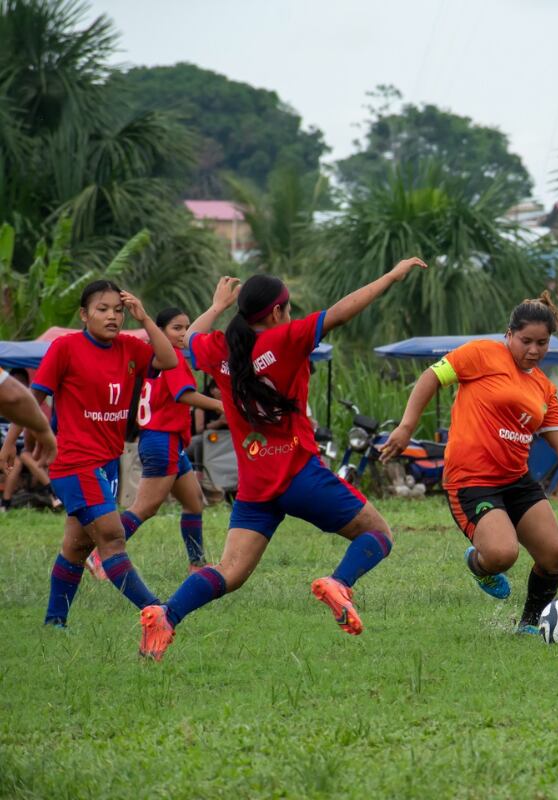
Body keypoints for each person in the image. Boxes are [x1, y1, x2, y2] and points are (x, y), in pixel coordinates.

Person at [138, 261, 426, 661]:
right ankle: (339, 582)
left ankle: (166, 615)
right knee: (378, 534)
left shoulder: (221, 349)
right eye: (288, 308)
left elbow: (191, 339)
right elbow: (342, 311)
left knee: (229, 572)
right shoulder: (287, 339)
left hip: (255, 486)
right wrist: (391, 276)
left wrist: (218, 306)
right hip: (298, 474)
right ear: (276, 312)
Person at [381, 293, 558, 634]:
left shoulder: (544, 388)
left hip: (516, 480)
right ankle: (479, 564)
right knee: (502, 555)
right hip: (471, 480)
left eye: (542, 343)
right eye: (526, 341)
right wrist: (406, 427)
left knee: (555, 555)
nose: (533, 350)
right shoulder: (482, 354)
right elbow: (431, 377)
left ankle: (530, 624)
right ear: (509, 334)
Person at [1, 281, 176, 628]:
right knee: (112, 538)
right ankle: (158, 614)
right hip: (75, 462)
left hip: (108, 462)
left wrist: (144, 318)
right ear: (84, 314)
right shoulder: (65, 348)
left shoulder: (130, 347)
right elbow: (32, 399)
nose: (112, 316)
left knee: (76, 548)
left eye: (119, 311)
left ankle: (54, 624)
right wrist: (10, 443)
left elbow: (169, 359)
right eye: (102, 309)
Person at [85, 307, 226, 579]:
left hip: (167, 441)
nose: (184, 333)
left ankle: (197, 565)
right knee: (144, 508)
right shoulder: (170, 357)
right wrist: (221, 405)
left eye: (186, 327)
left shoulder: (159, 357)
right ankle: (99, 554)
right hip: (162, 440)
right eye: (176, 328)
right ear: (160, 332)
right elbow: (183, 394)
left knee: (194, 502)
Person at [0, 368, 60, 511]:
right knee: (17, 462)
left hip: (25, 452)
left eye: (21, 382)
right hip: (7, 452)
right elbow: (14, 397)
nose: (18, 385)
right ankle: (6, 503)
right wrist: (44, 430)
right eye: (15, 381)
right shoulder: (16, 405)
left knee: (25, 457)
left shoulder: (27, 413)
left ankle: (52, 492)